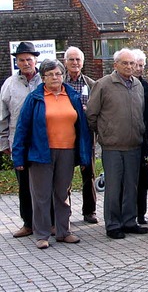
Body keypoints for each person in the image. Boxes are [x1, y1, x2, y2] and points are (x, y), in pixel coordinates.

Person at [12, 59, 92, 249]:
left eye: (58, 74)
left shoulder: (72, 95)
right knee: (41, 195)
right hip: (41, 153)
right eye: (50, 74)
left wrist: (84, 155)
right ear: (43, 78)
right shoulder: (35, 98)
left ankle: (64, 231)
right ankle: (42, 234)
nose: (55, 77)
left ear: (63, 76)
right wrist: (18, 156)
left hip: (67, 152)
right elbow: (22, 128)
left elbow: (82, 128)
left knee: (62, 194)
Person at [86, 48, 148, 239]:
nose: (129, 66)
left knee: (132, 186)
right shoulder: (104, 84)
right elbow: (91, 115)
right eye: (125, 63)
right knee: (113, 188)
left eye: (132, 63)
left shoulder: (137, 85)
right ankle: (113, 224)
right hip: (112, 146)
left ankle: (129, 221)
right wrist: (105, 133)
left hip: (134, 145)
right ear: (115, 65)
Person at [2, 41, 45, 238]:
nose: (26, 63)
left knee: (46, 184)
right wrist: (4, 144)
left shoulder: (45, 82)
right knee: (25, 186)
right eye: (22, 60)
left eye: (29, 59)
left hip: (43, 142)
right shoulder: (10, 84)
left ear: (36, 59)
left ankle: (49, 222)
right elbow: (2, 117)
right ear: (17, 62)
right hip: (19, 143)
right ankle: (28, 223)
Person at [63, 46, 98, 224]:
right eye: (72, 59)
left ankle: (90, 211)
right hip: (65, 134)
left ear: (82, 63)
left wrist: (88, 111)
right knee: (64, 174)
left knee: (88, 173)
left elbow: (98, 109)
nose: (75, 63)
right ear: (65, 62)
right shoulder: (59, 83)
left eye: (78, 60)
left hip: (85, 135)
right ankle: (64, 213)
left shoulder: (91, 84)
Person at [132, 49, 148, 225]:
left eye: (142, 65)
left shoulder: (146, 87)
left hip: (142, 140)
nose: (139, 69)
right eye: (136, 65)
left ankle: (141, 213)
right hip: (124, 139)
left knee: (141, 180)